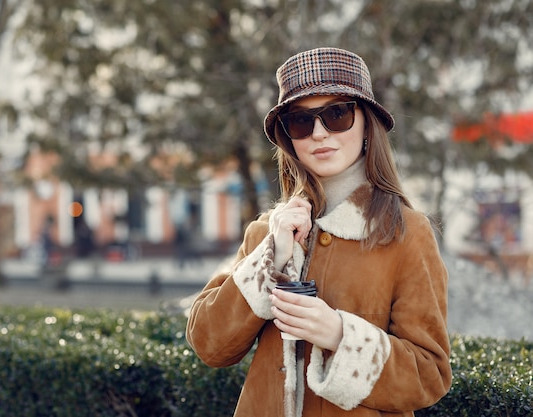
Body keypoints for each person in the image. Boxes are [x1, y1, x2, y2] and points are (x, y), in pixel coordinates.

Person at [186, 47, 452, 417]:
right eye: (300, 121)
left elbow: (430, 374)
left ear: (366, 122)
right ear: (288, 137)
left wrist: (340, 336)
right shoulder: (268, 230)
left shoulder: (407, 233)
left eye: (337, 114)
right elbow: (209, 345)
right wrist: (270, 258)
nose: (319, 133)